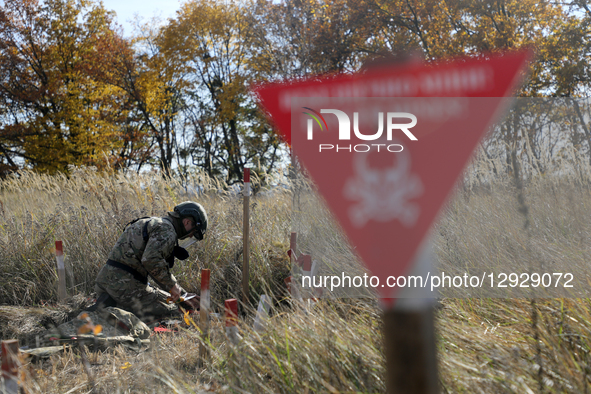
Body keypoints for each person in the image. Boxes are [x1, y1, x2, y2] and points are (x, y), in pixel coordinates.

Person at [92, 201, 207, 322]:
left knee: (166, 298)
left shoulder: (152, 222)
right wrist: (173, 286)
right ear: (187, 222)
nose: (190, 236)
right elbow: (151, 261)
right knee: (175, 311)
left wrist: (182, 294)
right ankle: (117, 307)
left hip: (106, 282)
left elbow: (152, 266)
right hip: (125, 288)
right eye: (193, 232)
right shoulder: (167, 230)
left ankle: (112, 303)